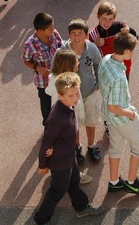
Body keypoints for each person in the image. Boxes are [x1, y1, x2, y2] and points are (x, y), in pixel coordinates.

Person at [33, 72, 104, 224]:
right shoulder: (57, 117)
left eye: (76, 93)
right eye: (71, 95)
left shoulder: (67, 107)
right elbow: (47, 142)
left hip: (68, 155)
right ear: (60, 96)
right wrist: (43, 165)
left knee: (74, 181)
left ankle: (81, 207)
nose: (76, 97)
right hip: (60, 162)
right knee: (57, 191)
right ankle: (40, 219)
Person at [98, 31, 139, 195]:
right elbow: (113, 107)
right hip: (121, 117)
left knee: (116, 147)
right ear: (127, 52)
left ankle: (114, 182)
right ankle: (132, 182)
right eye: (132, 51)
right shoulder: (120, 77)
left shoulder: (106, 59)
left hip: (110, 120)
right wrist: (130, 114)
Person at [43, 50, 93, 185]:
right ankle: (69, 176)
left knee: (65, 151)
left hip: (67, 120)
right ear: (69, 65)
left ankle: (65, 173)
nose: (78, 62)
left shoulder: (63, 81)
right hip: (65, 123)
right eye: (76, 61)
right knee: (66, 151)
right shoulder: (62, 85)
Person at [59, 19, 104, 164]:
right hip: (72, 97)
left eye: (80, 33)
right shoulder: (63, 51)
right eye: (73, 33)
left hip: (89, 91)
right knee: (75, 123)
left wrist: (98, 82)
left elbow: (99, 64)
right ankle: (77, 147)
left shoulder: (91, 48)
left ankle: (91, 146)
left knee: (91, 120)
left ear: (86, 35)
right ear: (68, 35)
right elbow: (56, 70)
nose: (77, 37)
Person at [23, 13, 64, 126]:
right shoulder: (30, 44)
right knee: (46, 108)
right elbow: (26, 60)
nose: (53, 29)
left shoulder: (54, 34)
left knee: (60, 103)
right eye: (50, 28)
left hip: (58, 77)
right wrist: (37, 68)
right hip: (43, 82)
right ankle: (48, 128)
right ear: (40, 31)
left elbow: (62, 47)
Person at [88, 2, 138, 79]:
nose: (107, 22)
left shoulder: (120, 27)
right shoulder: (94, 33)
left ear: (114, 18)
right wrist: (95, 44)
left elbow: (135, 38)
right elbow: (88, 53)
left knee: (124, 89)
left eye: (110, 19)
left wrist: (129, 32)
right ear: (98, 16)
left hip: (123, 68)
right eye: (104, 18)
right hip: (107, 70)